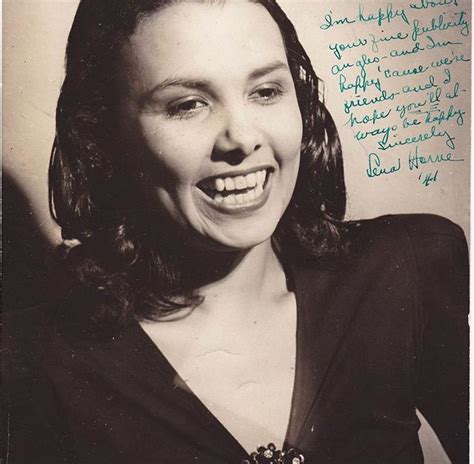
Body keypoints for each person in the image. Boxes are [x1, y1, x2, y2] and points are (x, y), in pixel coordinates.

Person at [4, 1, 468, 463]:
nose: (242, 139)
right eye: (187, 105)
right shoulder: (33, 367)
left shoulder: (411, 267)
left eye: (265, 91)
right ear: (103, 137)